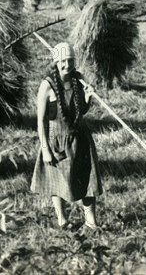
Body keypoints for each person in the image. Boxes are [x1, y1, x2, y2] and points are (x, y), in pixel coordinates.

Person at [31, 42, 103, 229]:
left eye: (70, 60)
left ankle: (91, 221)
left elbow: (80, 111)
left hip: (80, 138)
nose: (67, 65)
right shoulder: (47, 86)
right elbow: (41, 121)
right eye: (62, 61)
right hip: (57, 140)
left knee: (88, 179)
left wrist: (88, 97)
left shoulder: (78, 80)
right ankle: (62, 220)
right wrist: (46, 150)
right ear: (56, 62)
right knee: (58, 181)